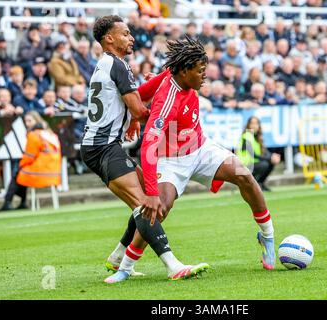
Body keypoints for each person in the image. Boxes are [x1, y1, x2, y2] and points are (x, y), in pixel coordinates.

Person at [105, 36, 276, 284]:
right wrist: (151, 191)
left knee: (244, 174)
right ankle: (126, 266)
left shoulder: (172, 73)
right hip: (171, 160)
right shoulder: (167, 102)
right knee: (158, 208)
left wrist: (134, 115)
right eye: (200, 71)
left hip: (200, 147)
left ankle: (267, 236)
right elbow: (149, 148)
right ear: (185, 72)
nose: (204, 76)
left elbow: (139, 94)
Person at [79, 15, 208, 283]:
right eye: (125, 34)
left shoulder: (104, 64)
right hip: (103, 148)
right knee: (144, 204)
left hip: (101, 145)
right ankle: (172, 264)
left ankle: (117, 257)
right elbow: (138, 107)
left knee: (149, 199)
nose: (131, 38)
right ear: (109, 39)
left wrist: (136, 116)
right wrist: (160, 114)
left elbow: (130, 103)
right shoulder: (119, 65)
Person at [0, 111, 61, 211]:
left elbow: (28, 156)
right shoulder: (50, 134)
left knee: (18, 173)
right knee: (22, 173)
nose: (27, 123)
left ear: (36, 121)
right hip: (55, 173)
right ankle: (22, 202)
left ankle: (8, 202)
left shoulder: (34, 135)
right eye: (26, 121)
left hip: (41, 173)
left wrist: (21, 165)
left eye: (29, 121)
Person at [237, 116, 281, 192]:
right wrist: (270, 158)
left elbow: (264, 152)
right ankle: (252, 185)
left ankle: (260, 184)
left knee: (271, 163)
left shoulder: (257, 137)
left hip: (252, 164)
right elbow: (253, 154)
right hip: (243, 166)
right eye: (252, 123)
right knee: (265, 164)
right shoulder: (246, 136)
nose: (254, 126)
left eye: (256, 123)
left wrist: (273, 156)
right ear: (248, 125)